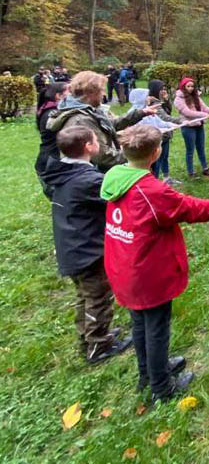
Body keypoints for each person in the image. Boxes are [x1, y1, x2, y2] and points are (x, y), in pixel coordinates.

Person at [101, 124, 209, 402]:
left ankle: (148, 372)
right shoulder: (151, 191)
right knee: (156, 328)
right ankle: (162, 387)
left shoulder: (115, 177)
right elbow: (188, 208)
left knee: (140, 323)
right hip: (147, 273)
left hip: (123, 267)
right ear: (156, 153)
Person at [41, 126, 133, 364]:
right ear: (88, 147)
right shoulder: (88, 180)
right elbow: (115, 196)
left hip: (70, 246)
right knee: (98, 297)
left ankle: (88, 337)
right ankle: (99, 346)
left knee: (84, 295)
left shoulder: (61, 172)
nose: (98, 143)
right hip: (88, 250)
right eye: (95, 140)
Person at [46, 71, 153, 172]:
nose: (104, 94)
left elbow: (110, 124)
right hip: (93, 177)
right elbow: (102, 156)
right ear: (90, 93)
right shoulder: (82, 119)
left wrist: (141, 113)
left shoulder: (89, 111)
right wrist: (137, 155)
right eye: (101, 90)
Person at [174, 77, 209, 178]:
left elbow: (205, 108)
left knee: (201, 148)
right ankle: (191, 172)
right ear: (183, 87)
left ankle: (205, 168)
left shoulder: (196, 96)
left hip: (199, 125)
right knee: (190, 150)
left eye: (192, 86)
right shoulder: (178, 99)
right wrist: (202, 115)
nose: (190, 88)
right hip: (188, 127)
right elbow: (187, 112)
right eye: (188, 86)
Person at [35, 83, 69, 196]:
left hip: (50, 161)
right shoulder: (51, 114)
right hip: (50, 164)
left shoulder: (49, 110)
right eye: (68, 91)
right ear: (58, 96)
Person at [147, 80, 182, 185]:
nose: (163, 91)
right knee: (157, 160)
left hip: (166, 134)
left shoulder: (159, 101)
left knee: (165, 157)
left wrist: (166, 101)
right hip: (159, 135)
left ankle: (166, 177)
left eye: (164, 89)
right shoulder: (153, 104)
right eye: (161, 89)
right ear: (155, 90)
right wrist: (182, 120)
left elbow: (168, 111)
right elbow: (165, 118)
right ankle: (155, 182)